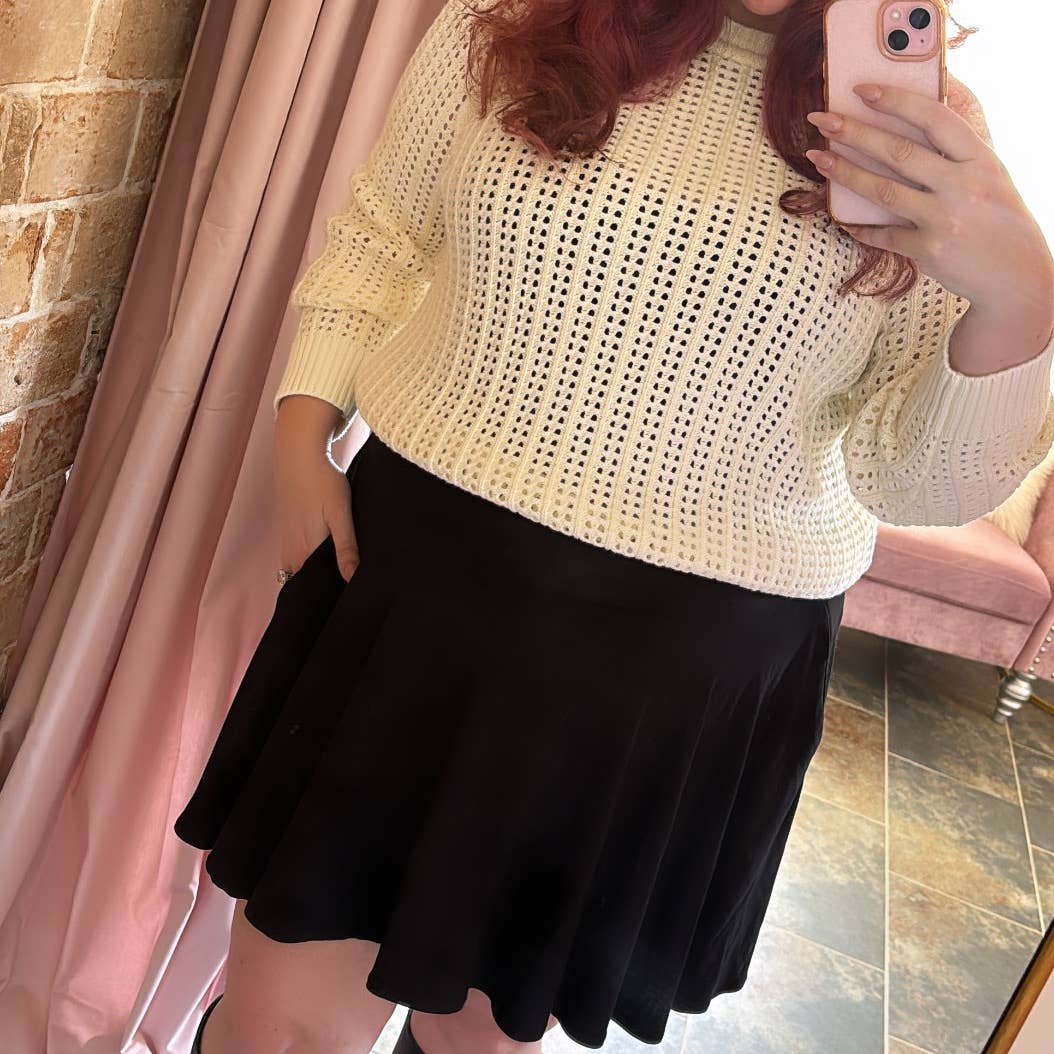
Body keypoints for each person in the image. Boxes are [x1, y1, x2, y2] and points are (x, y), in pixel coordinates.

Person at [174, 0, 1054, 1050]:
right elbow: (383, 234)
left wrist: (1020, 308)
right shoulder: (511, 23)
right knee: (278, 1026)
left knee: (481, 1038)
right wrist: (302, 427)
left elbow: (910, 482)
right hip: (418, 593)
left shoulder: (922, 131)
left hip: (677, 676)